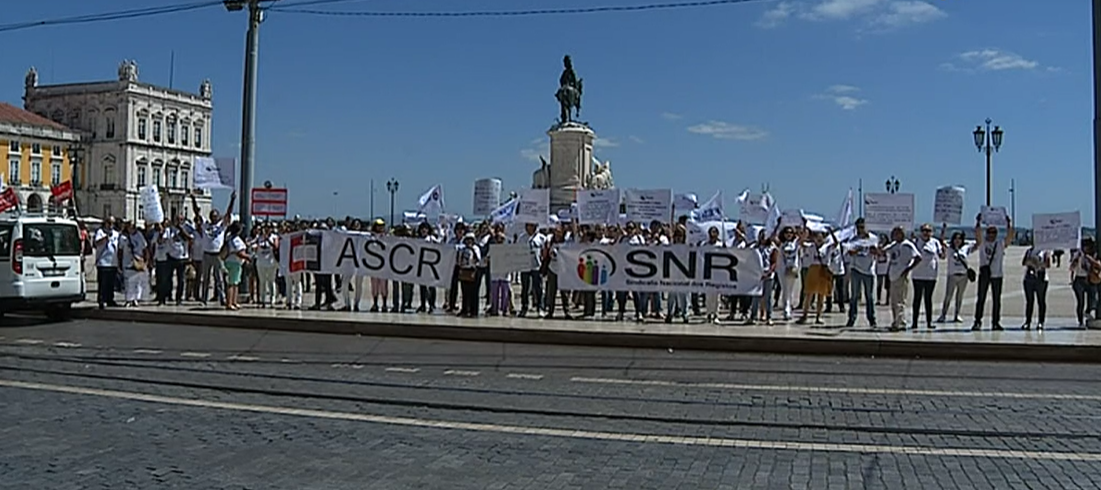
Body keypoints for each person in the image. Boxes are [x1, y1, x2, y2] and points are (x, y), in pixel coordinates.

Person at [191, 191, 236, 306]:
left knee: (219, 278)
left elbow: (228, 213)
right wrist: (193, 199)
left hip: (217, 255)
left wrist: (232, 200)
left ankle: (222, 298)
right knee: (205, 278)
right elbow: (197, 213)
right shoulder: (206, 225)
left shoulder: (221, 226)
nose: (214, 218)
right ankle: (204, 299)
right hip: (206, 254)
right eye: (212, 216)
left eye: (215, 216)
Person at [972, 214, 1015, 331]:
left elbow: (1010, 236)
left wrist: (1008, 223)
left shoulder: (1000, 243)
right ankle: (977, 321)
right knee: (981, 298)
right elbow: (977, 234)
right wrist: (978, 222)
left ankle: (995, 322)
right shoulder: (982, 243)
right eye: (989, 232)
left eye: (994, 232)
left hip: (997, 275)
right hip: (984, 274)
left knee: (997, 300)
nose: (991, 235)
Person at [884, 226, 921, 331]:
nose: (896, 235)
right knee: (893, 301)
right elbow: (882, 252)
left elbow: (918, 257)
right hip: (893, 275)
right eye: (895, 233)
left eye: (899, 233)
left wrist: (908, 269)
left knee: (900, 301)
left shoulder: (907, 245)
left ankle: (898, 323)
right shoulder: (894, 245)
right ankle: (898, 321)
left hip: (901, 275)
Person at [910, 223, 946, 330]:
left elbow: (942, 256)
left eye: (928, 231)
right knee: (917, 299)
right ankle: (914, 322)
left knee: (928, 299)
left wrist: (944, 247)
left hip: (931, 275)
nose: (926, 233)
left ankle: (929, 322)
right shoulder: (916, 242)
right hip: (917, 274)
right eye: (924, 231)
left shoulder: (935, 242)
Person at [845, 218, 878, 328]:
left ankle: (871, 319)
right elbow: (850, 252)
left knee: (869, 296)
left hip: (868, 270)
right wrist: (859, 247)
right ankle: (852, 318)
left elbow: (876, 252)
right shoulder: (854, 239)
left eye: (862, 227)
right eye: (858, 227)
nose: (860, 230)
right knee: (854, 296)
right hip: (856, 269)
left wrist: (870, 245)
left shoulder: (873, 238)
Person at [518, 222, 547, 318]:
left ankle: (540, 308)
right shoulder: (522, 238)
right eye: (528, 226)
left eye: (531, 226)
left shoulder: (542, 238)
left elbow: (544, 252)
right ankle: (524, 307)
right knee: (525, 288)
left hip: (536, 267)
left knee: (538, 288)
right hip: (524, 267)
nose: (529, 228)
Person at [1070, 237, 1101, 327]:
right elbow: (1072, 268)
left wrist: (1089, 258)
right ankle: (1080, 322)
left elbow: (1098, 265)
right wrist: (1076, 260)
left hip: (1090, 279)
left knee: (1093, 298)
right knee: (1081, 302)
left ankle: (1088, 311)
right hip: (1079, 279)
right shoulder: (1078, 255)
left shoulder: (1094, 255)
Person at [1021, 240, 1050, 330]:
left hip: (1041, 278)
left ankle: (1041, 322)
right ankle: (1028, 321)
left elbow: (1047, 265)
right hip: (1029, 277)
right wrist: (1031, 262)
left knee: (1041, 301)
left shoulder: (1044, 252)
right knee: (1029, 301)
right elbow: (1024, 262)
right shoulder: (1029, 251)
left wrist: (1038, 264)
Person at [119, 220, 148, 307]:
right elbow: (120, 250)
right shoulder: (123, 237)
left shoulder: (139, 235)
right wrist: (119, 262)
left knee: (137, 282)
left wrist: (146, 260)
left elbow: (144, 248)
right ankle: (128, 299)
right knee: (128, 282)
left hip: (138, 261)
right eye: (130, 227)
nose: (131, 228)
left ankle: (136, 299)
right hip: (127, 262)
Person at [93, 217, 121, 309]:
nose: (110, 225)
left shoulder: (116, 234)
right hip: (103, 262)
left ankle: (110, 299)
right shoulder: (100, 232)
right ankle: (102, 300)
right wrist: (105, 238)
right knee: (103, 283)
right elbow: (97, 243)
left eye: (112, 223)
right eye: (109, 223)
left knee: (111, 283)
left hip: (113, 262)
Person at [222, 222, 249, 311]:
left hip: (231, 262)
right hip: (234, 263)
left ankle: (234, 301)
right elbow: (239, 252)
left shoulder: (229, 238)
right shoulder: (236, 240)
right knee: (232, 284)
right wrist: (248, 257)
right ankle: (229, 303)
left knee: (235, 283)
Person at [253, 222, 280, 308]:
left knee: (271, 281)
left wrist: (268, 239)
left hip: (271, 263)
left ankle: (272, 299)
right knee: (262, 282)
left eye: (269, 228)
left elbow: (276, 246)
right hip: (261, 262)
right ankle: (263, 300)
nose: (267, 229)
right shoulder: (259, 238)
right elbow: (253, 246)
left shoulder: (274, 237)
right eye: (265, 228)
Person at [456, 232, 481, 317]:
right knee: (464, 292)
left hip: (473, 270)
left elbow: (478, 259)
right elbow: (459, 260)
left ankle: (474, 311)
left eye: (471, 240)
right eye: (467, 240)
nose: (469, 241)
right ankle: (465, 309)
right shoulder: (462, 249)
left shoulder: (476, 248)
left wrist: (472, 250)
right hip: (464, 270)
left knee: (474, 292)